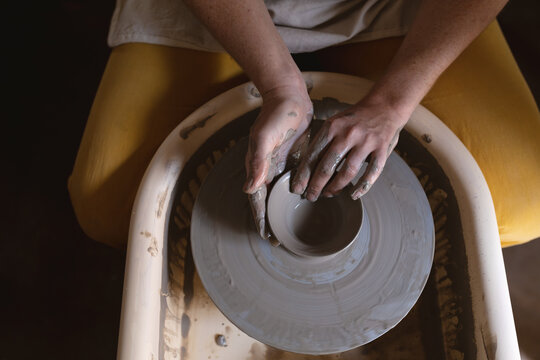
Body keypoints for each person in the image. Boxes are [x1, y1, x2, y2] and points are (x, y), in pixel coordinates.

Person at [68, 0, 540, 248]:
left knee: (522, 201)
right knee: (110, 205)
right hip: (221, 14)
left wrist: (393, 104)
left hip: (397, 8)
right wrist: (280, 87)